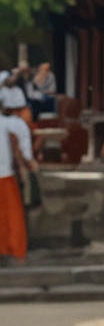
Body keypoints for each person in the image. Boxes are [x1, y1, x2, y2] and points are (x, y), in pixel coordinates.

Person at [0, 98, 35, 262]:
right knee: (11, 215)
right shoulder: (10, 124)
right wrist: (27, 160)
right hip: (5, 176)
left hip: (5, 174)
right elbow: (23, 142)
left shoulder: (8, 124)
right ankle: (13, 249)